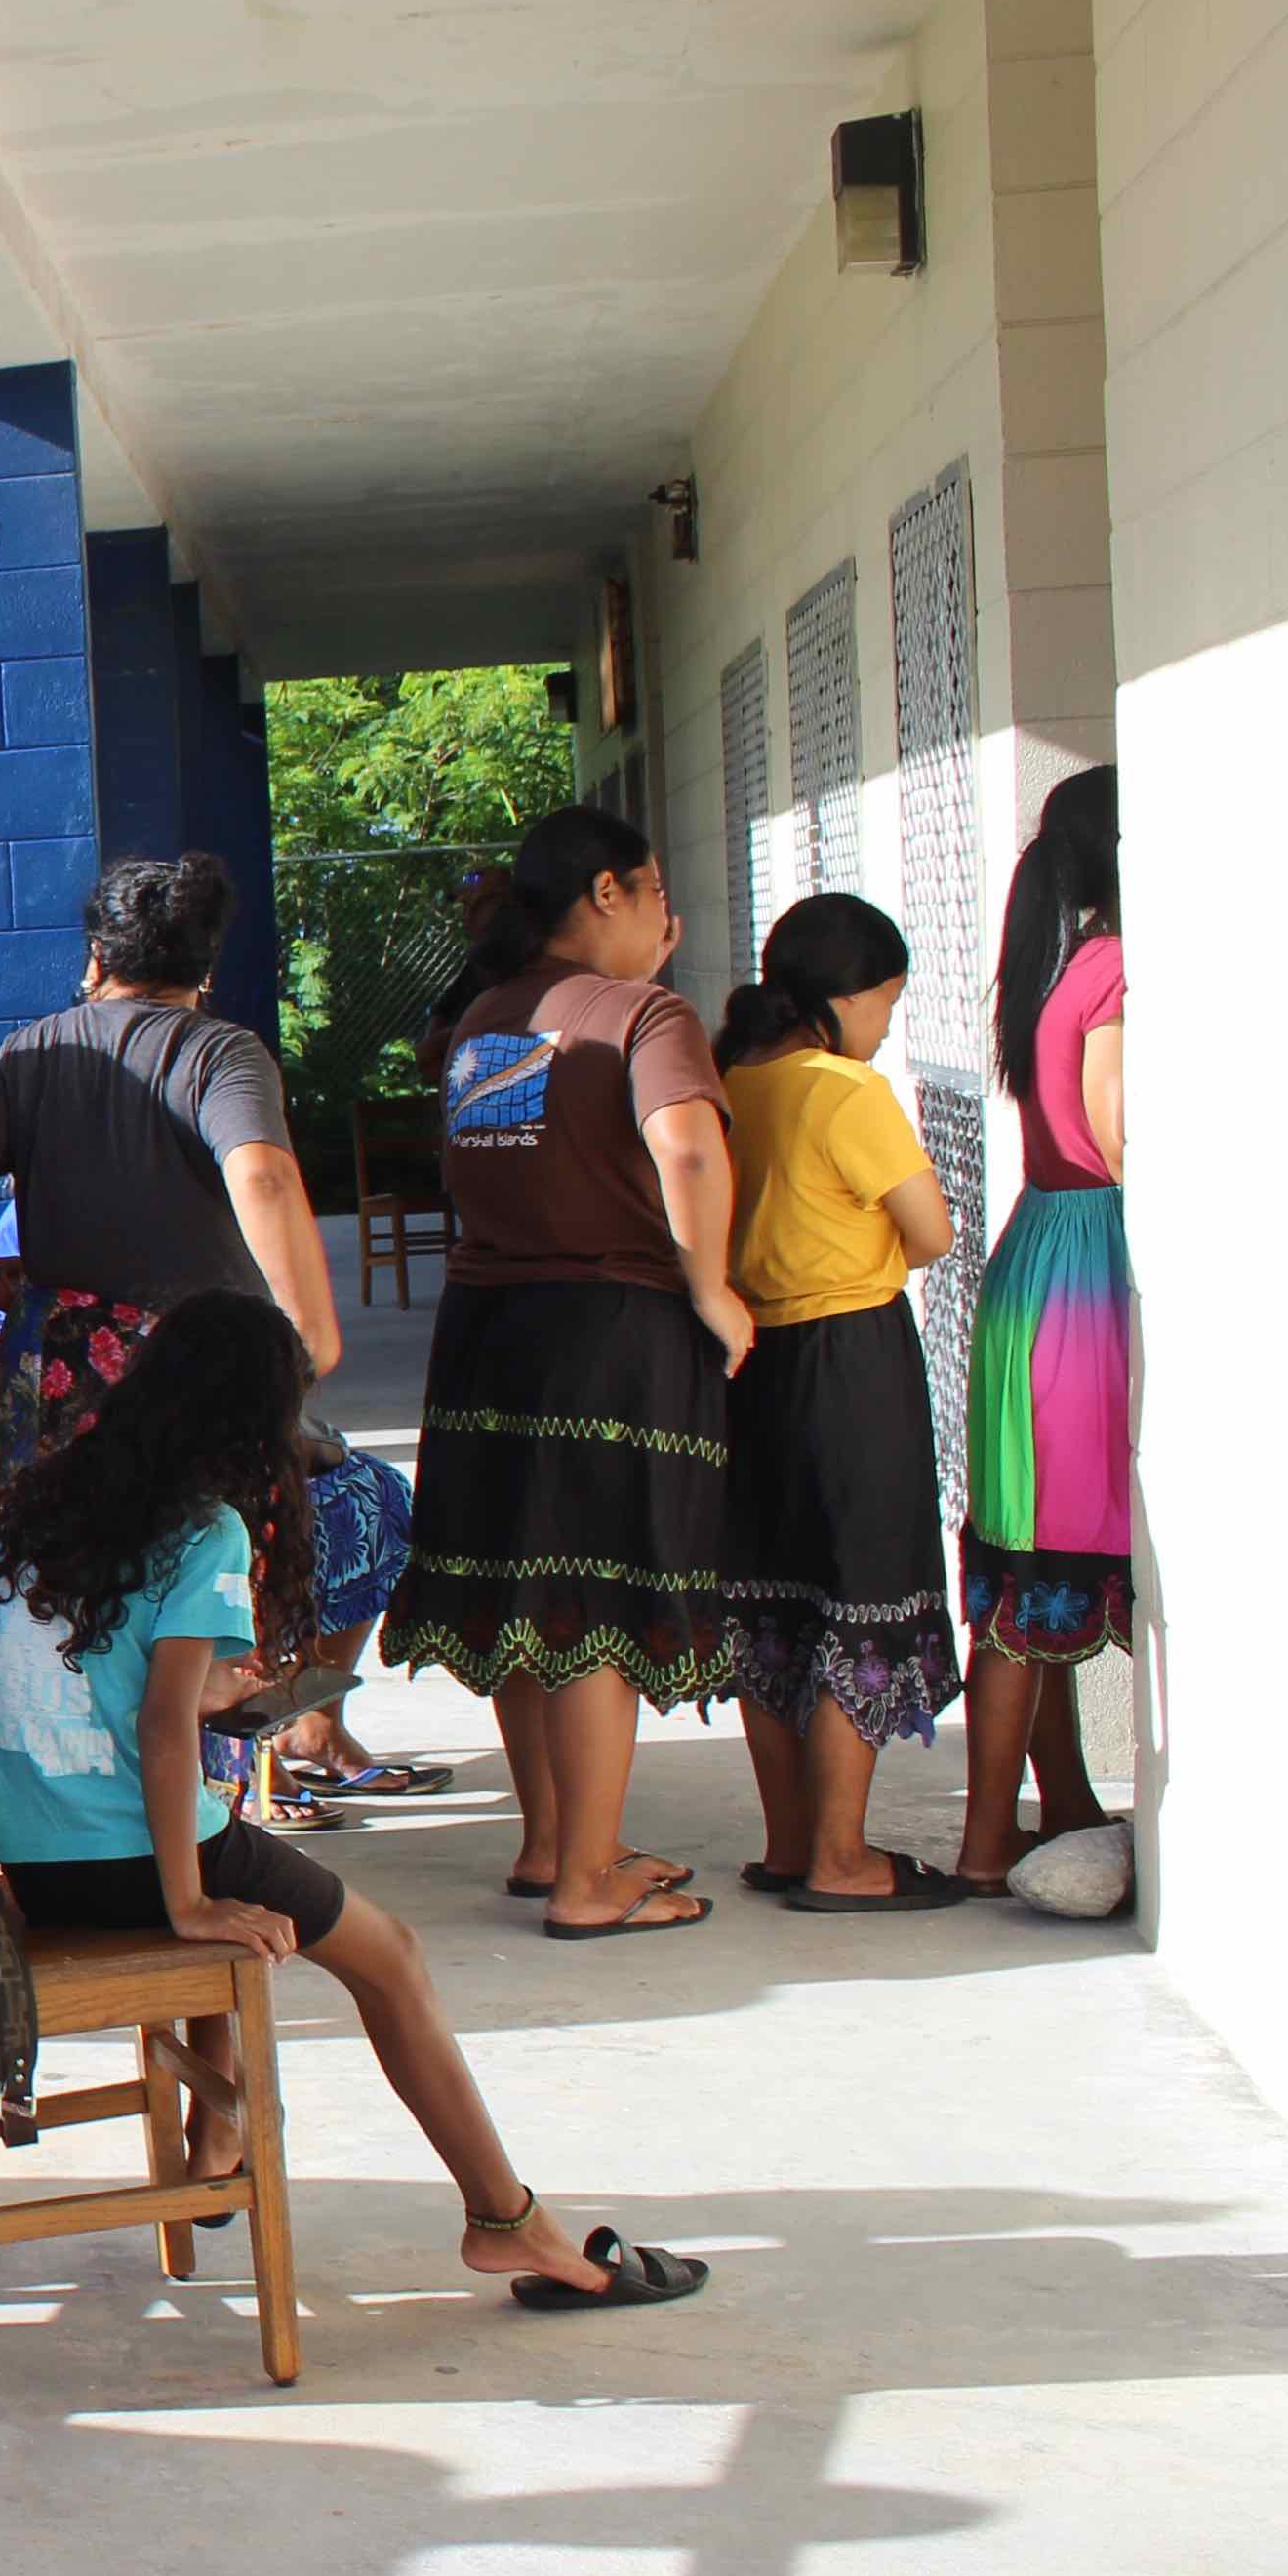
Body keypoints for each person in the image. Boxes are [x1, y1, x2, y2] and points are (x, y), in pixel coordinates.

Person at [0, 1287, 710, 2309]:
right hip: (131, 1861)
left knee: (250, 1869)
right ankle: (508, 2220)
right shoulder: (204, 1528)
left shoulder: (44, 1497)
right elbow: (166, 1731)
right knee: (388, 1958)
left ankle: (219, 2129)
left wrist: (218, 1690)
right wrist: (186, 1899)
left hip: (38, 1856)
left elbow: (78, 1683)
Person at [0, 852, 433, 1803]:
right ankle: (212, 1796)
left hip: (60, 1371)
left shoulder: (32, 1054)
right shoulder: (218, 1054)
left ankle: (60, 1797)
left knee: (58, 1581)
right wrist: (310, 1331)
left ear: (96, 954)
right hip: (199, 1369)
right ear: (205, 967)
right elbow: (263, 1176)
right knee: (233, 1561)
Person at [379, 805, 744, 1941]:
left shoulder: (484, 1019)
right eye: (652, 895)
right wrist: (715, 1285)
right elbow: (685, 1146)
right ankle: (590, 1878)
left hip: (489, 1330)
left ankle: (549, 1845)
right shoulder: (647, 1013)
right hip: (606, 1332)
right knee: (594, 1595)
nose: (666, 921)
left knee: (524, 1595)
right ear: (605, 894)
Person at [714, 893, 968, 1910]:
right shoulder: (844, 1090)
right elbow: (935, 1232)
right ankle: (842, 1856)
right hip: (853, 1357)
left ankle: (787, 1845)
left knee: (774, 1604)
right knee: (864, 1599)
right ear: (845, 997)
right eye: (887, 1003)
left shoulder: (736, 1082)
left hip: (751, 1364)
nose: (887, 1024)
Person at [955, 766, 1132, 1893]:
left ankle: (1052, 1806)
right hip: (1092, 1274)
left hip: (1036, 1263)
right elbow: (1123, 1138)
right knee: (1047, 1561)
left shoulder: (1056, 964)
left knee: (1028, 1546)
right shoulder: (1118, 968)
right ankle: (984, 1840)